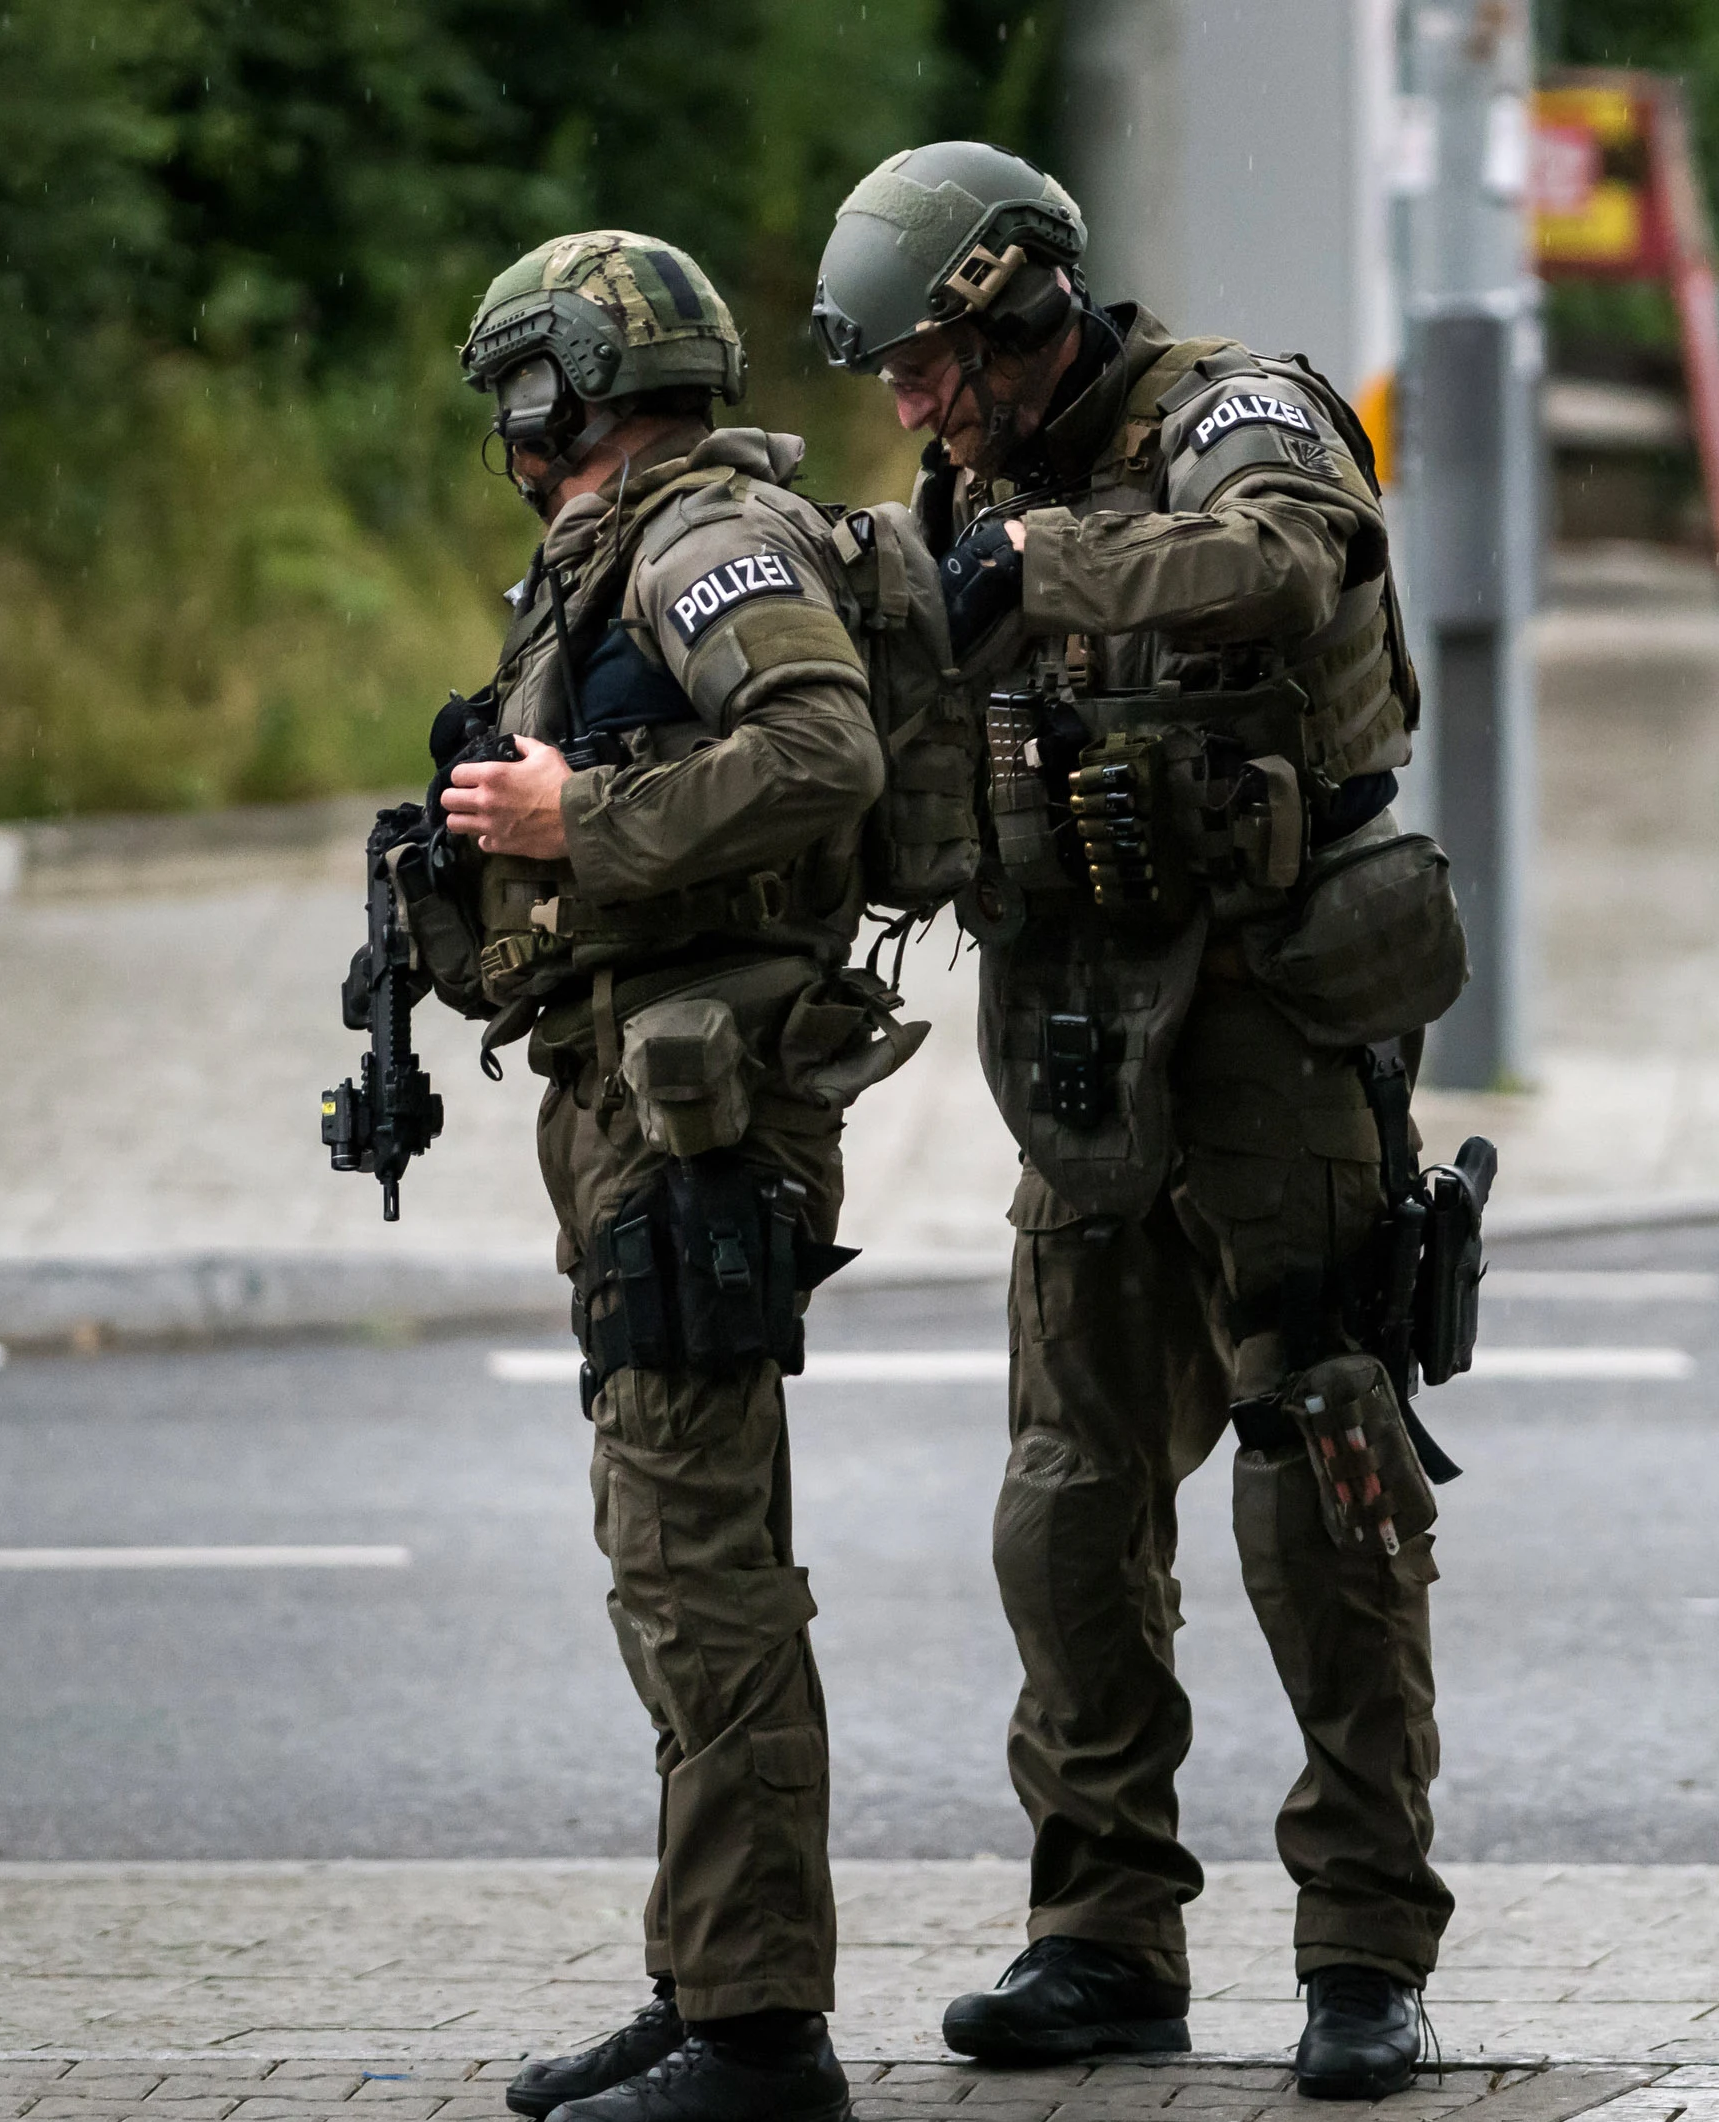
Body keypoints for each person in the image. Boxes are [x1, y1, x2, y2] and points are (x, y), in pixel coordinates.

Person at [810, 144, 1470, 2100]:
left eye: (932, 361)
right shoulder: (957, 483)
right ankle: (1101, 1929)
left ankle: (1362, 1948)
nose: (912, 408)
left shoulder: (1236, 410)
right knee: (1068, 1503)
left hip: (1275, 1021)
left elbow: (1283, 557)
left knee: (1316, 1477)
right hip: (1084, 1030)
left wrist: (1037, 566)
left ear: (1019, 308)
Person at [405, 229, 905, 2122]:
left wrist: (576, 816)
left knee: (703, 1570)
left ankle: (764, 2037)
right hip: (636, 1094)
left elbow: (825, 749)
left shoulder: (701, 542)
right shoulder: (614, 555)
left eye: (516, 394)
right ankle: (705, 1984)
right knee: (669, 1556)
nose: (507, 433)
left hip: (705, 1115)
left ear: (561, 392)